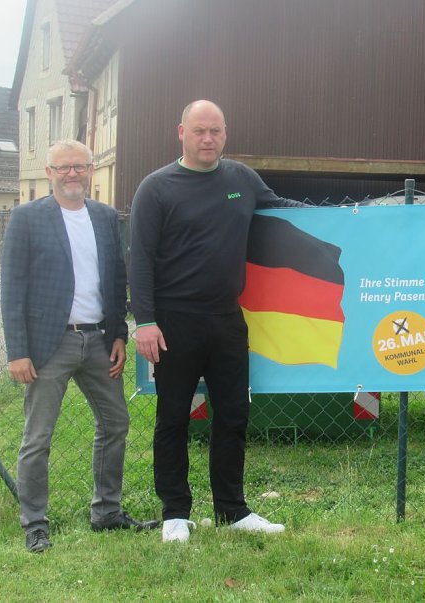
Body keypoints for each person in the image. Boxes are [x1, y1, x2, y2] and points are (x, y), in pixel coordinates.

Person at [130, 100, 309, 543]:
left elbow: (282, 209)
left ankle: (233, 509)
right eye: (199, 131)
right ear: (181, 133)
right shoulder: (155, 188)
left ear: (225, 134)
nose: (208, 139)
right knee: (173, 417)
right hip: (174, 323)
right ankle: (175, 513)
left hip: (228, 320)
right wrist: (145, 320)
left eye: (215, 131)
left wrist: (348, 215)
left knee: (233, 415)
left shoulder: (241, 179)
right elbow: (140, 259)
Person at [1, 140, 158, 553]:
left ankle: (106, 512)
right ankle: (35, 524)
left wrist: (119, 334)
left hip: (98, 341)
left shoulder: (106, 218)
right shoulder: (26, 218)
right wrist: (17, 351)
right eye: (64, 167)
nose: (73, 174)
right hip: (48, 345)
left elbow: (116, 278)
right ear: (49, 171)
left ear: (91, 170)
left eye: (80, 167)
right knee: (38, 437)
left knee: (115, 424)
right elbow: (12, 288)